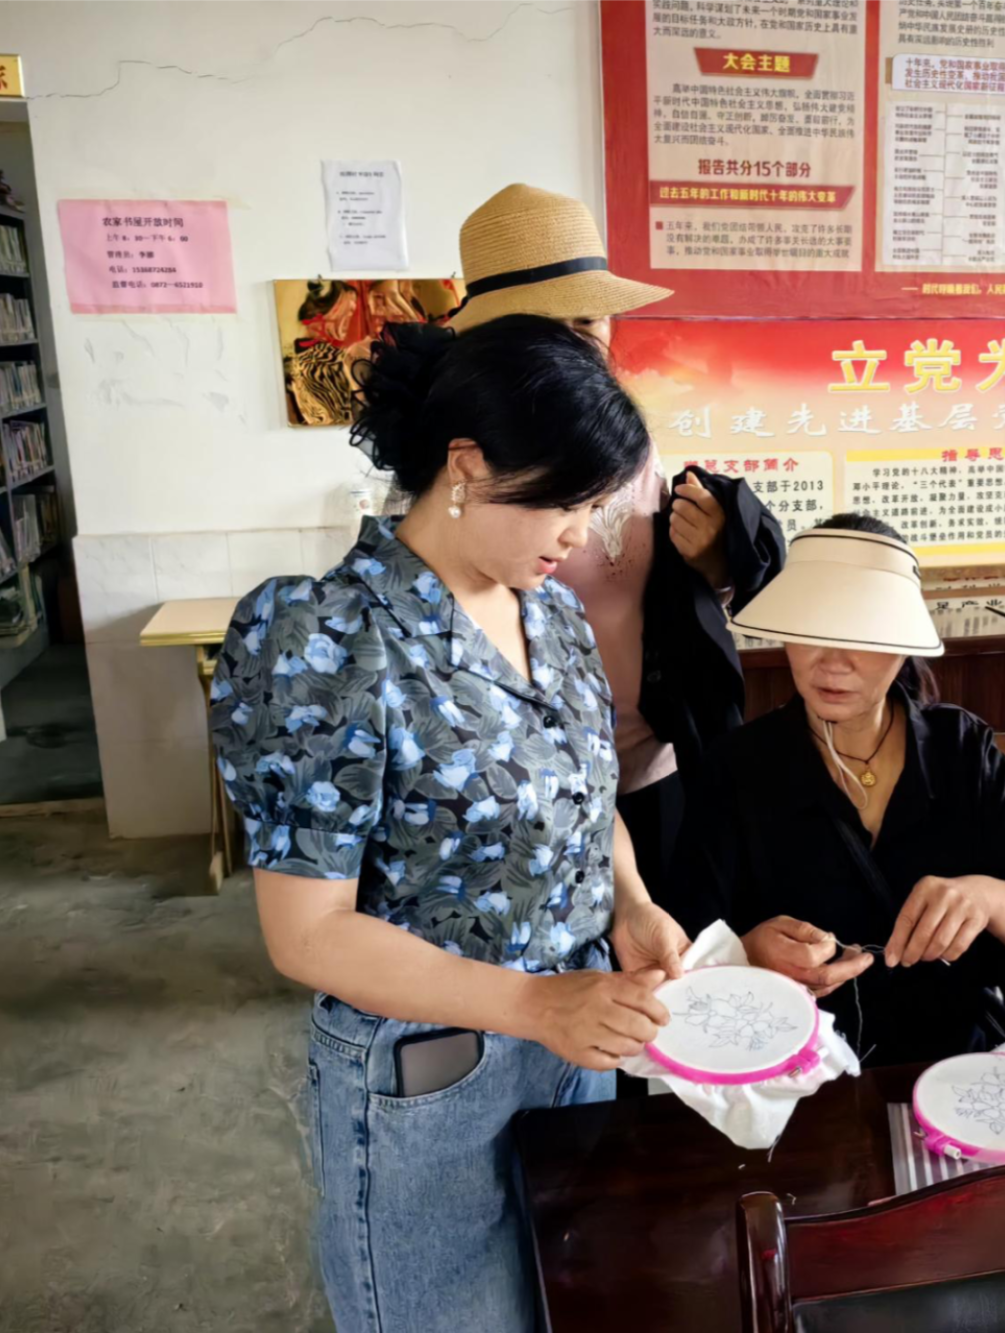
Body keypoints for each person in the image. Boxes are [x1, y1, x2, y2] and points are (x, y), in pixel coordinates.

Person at [210, 314, 691, 1332]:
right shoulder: (321, 636)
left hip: (574, 1042)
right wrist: (537, 1005)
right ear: (466, 465)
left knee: (570, 1302)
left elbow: (585, 791)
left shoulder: (551, 614)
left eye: (595, 507)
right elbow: (307, 933)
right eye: (565, 502)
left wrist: (632, 904)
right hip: (430, 1072)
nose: (580, 534)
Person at [445, 184, 785, 896]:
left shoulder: (630, 448)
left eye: (593, 317)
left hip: (652, 758)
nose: (587, 344)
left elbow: (656, 588)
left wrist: (711, 555)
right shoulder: (462, 465)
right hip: (525, 785)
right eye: (556, 325)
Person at [665, 514, 1005, 1068]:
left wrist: (987, 897)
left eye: (861, 632)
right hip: (790, 1070)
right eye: (811, 628)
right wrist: (745, 953)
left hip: (950, 1063)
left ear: (902, 641)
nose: (831, 662)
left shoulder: (959, 750)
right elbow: (684, 943)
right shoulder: (738, 765)